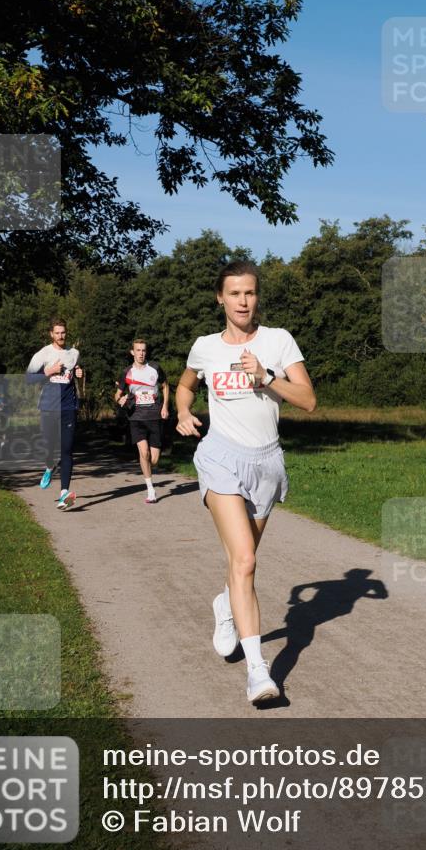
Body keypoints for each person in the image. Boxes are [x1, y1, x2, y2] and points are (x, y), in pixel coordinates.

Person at [176, 260, 316, 705]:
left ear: (257, 298)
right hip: (221, 457)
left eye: (250, 293)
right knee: (246, 561)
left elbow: (309, 401)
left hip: (267, 463)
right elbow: (185, 385)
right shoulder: (205, 347)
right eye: (234, 293)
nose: (242, 301)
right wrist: (182, 412)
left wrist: (267, 377)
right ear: (220, 297)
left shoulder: (278, 341)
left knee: (242, 563)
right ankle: (259, 672)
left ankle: (225, 604)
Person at [26, 318, 83, 509]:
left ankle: (64, 493)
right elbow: (28, 378)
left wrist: (78, 372)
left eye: (63, 332)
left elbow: (73, 371)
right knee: (48, 446)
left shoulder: (74, 353)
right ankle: (50, 466)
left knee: (66, 450)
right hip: (48, 407)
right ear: (51, 334)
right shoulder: (43, 354)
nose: (61, 336)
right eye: (57, 332)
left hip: (68, 408)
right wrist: (48, 371)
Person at [114, 340, 170, 503]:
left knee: (154, 459)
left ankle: (147, 470)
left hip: (154, 416)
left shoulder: (155, 368)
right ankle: (150, 489)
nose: (141, 353)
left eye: (143, 350)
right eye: (138, 350)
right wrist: (120, 400)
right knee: (143, 453)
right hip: (136, 417)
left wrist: (165, 406)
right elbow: (117, 395)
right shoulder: (127, 372)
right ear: (132, 352)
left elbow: (166, 385)